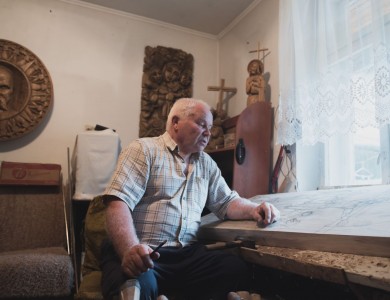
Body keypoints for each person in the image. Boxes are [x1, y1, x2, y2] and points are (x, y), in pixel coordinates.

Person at [101, 98, 280, 300]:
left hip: (186, 256)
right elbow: (118, 202)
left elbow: (227, 202)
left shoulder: (207, 164)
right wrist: (130, 250)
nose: (208, 133)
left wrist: (254, 209)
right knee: (138, 284)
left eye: (210, 128)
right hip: (146, 251)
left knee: (234, 268)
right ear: (176, 122)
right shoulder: (143, 150)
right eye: (202, 124)